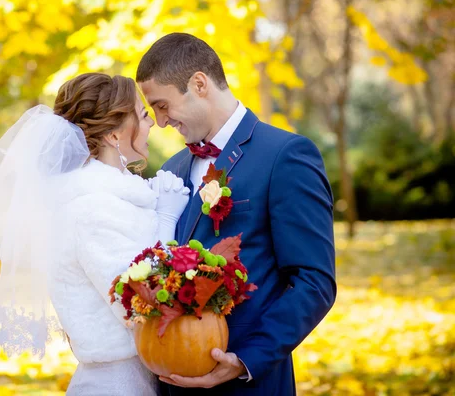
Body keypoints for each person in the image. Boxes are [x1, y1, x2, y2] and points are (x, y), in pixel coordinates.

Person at [137, 33, 337, 395]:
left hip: (248, 382)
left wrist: (246, 360)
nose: (161, 122)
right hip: (170, 382)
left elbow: (314, 281)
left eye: (162, 105)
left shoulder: (286, 156)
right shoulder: (172, 169)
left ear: (199, 84)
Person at [0, 73, 190, 395]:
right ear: (115, 134)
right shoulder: (91, 209)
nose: (152, 123)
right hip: (118, 383)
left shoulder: (112, 197)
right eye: (143, 116)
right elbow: (136, 305)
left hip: (141, 375)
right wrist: (167, 218)